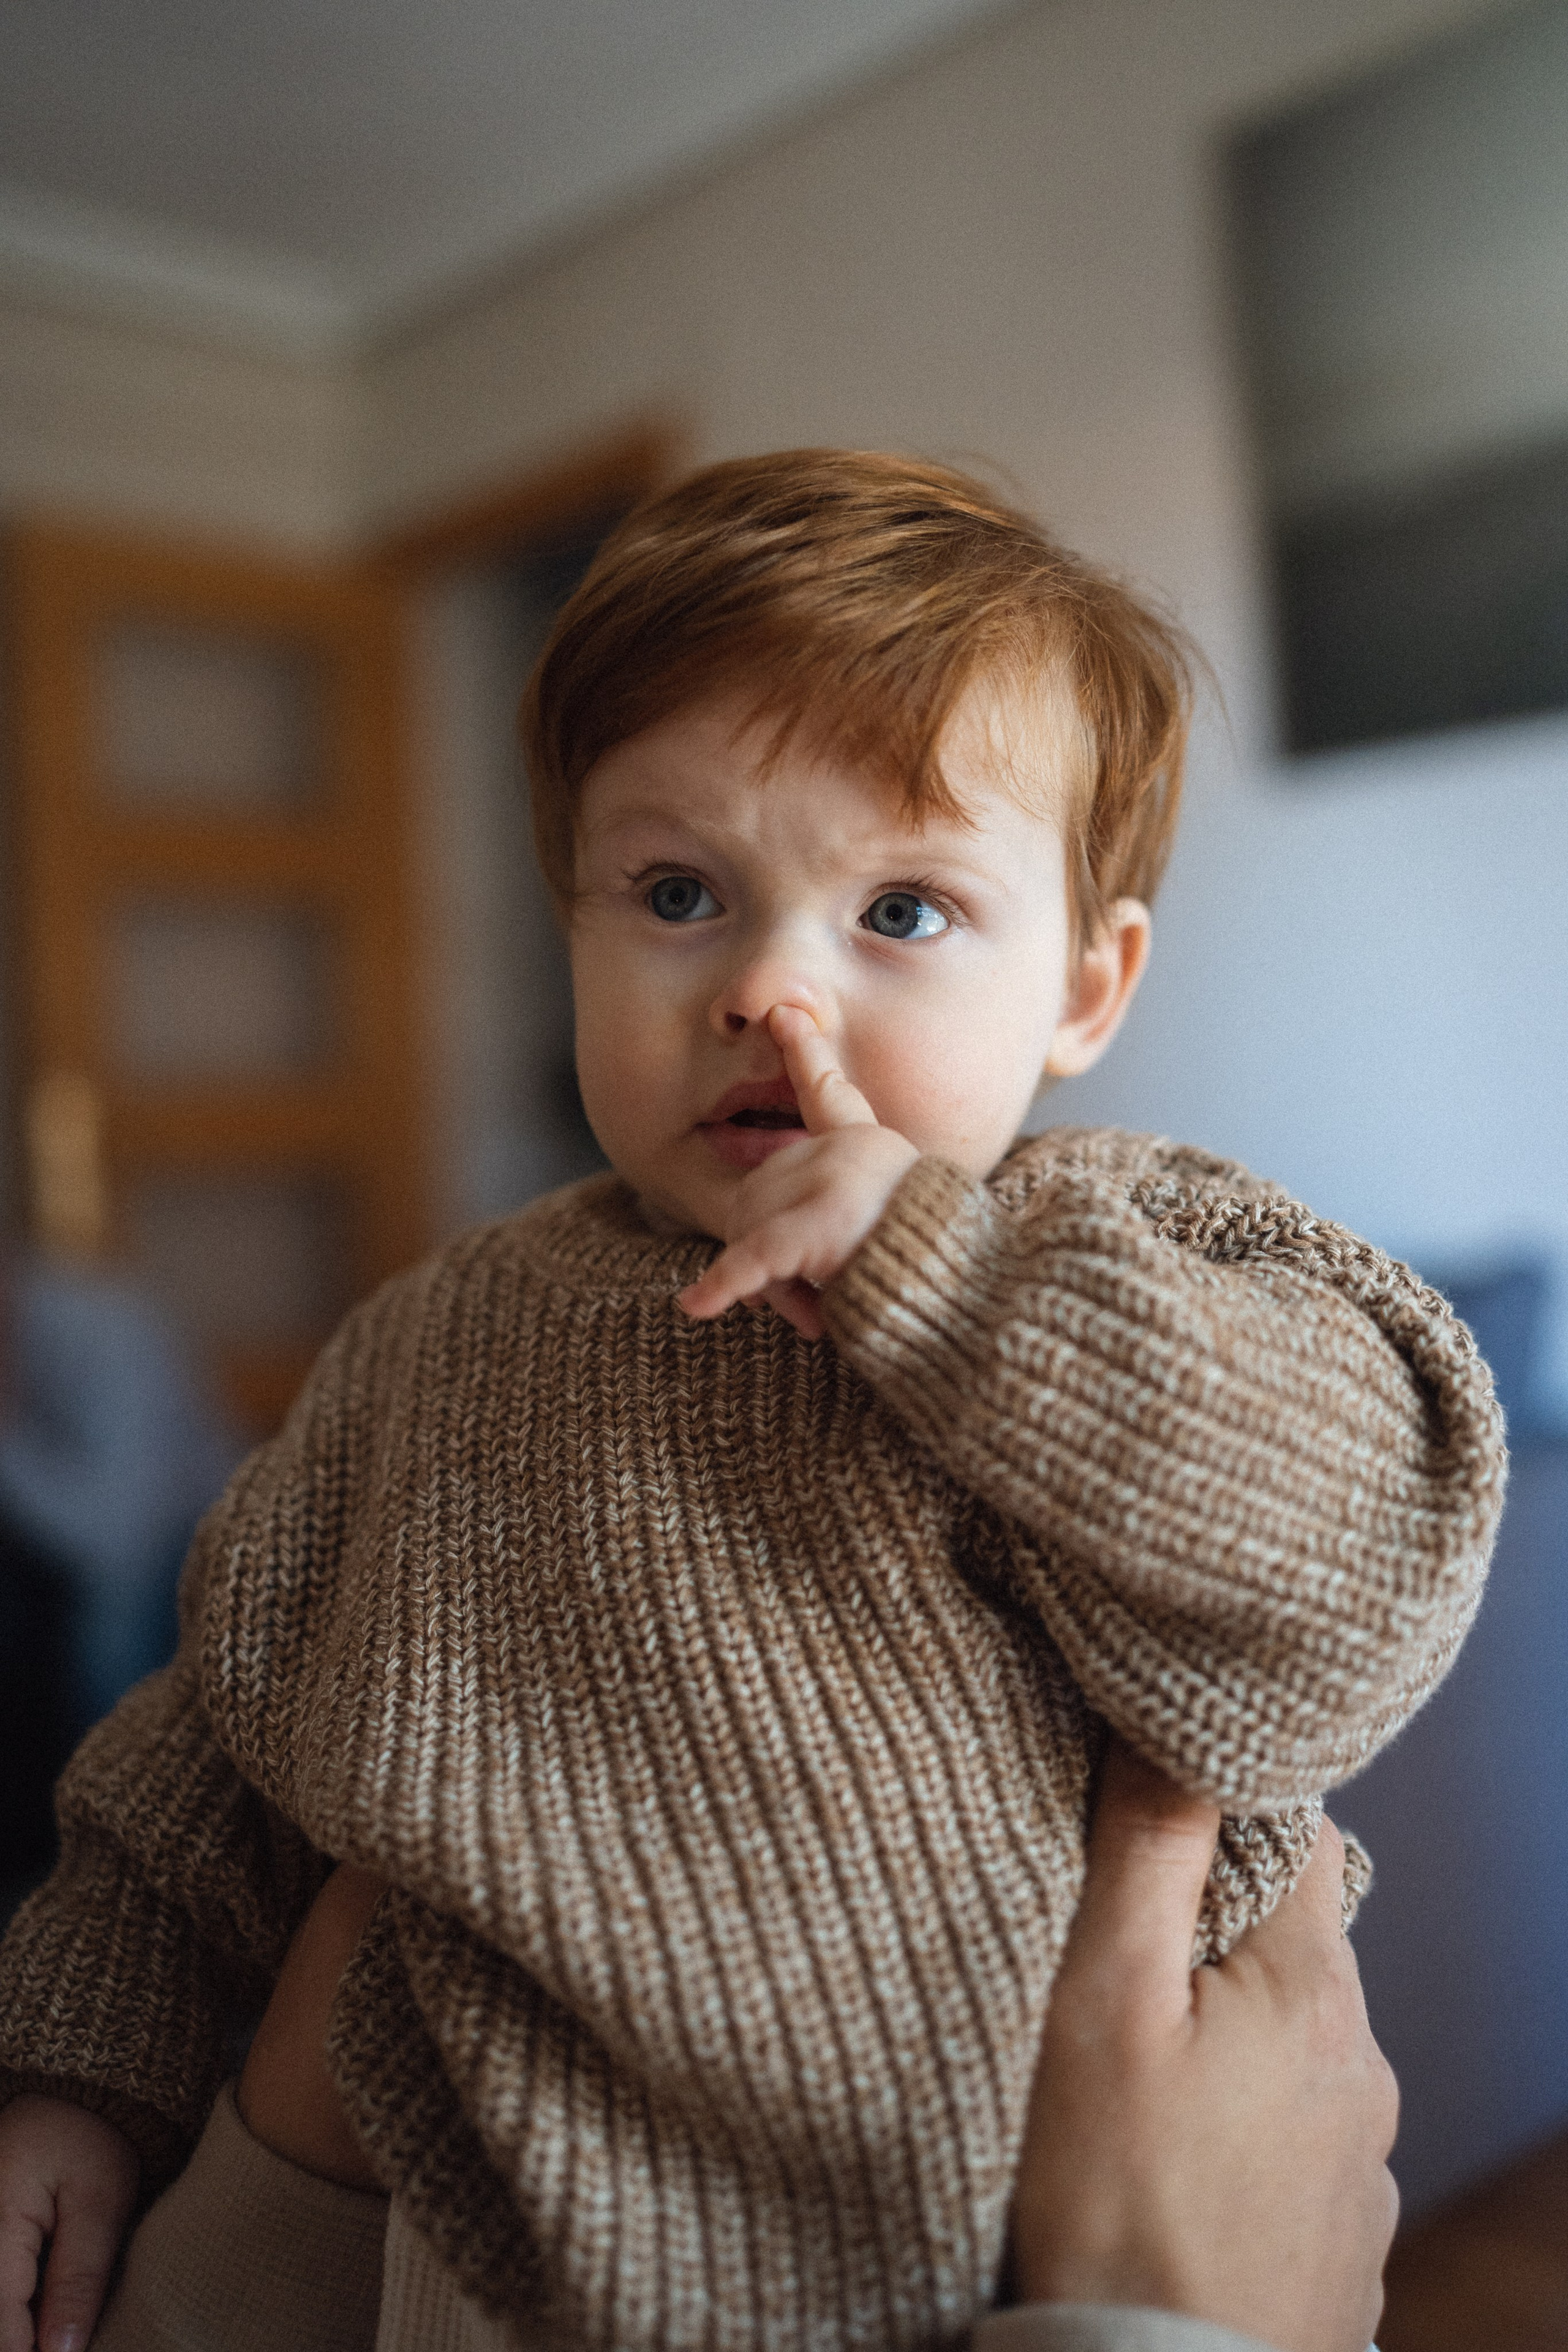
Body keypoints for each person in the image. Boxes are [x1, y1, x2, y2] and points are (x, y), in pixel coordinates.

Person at [0, 451, 1499, 2351]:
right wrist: (83, 2076)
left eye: (905, 911)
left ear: (1085, 988)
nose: (768, 987)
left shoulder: (1138, 1245)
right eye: (679, 892)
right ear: (572, 925)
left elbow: (1365, 1560)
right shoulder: (438, 1334)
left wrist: (948, 1282)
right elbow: (211, 1751)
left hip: (1025, 2251)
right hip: (481, 2255)